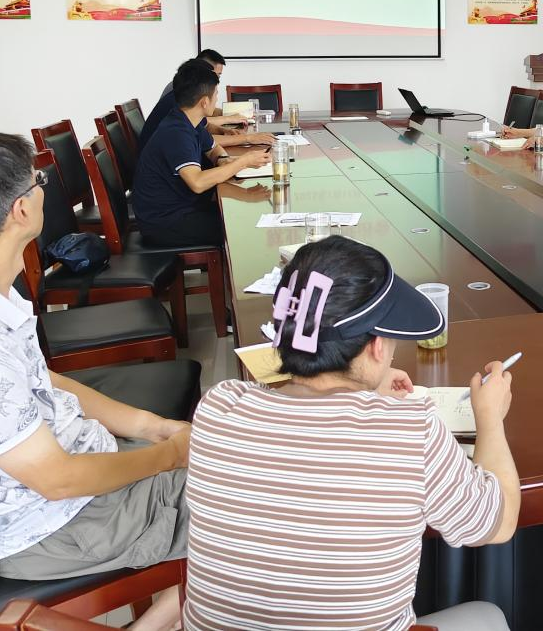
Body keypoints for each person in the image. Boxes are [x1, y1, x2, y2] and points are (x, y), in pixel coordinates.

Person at [0, 134, 191, 631]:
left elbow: (42, 382)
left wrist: (152, 427)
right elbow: (57, 480)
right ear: (21, 210)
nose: (43, 189)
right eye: (38, 180)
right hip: (49, 525)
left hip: (68, 482)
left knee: (240, 463)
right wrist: (171, 454)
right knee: (267, 501)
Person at [184, 236, 519, 631]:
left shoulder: (218, 406)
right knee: (489, 616)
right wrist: (490, 419)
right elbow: (499, 523)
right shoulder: (410, 430)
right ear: (377, 347)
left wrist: (365, 388)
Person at [133, 59, 270, 248]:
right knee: (240, 226)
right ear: (205, 102)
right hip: (164, 221)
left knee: (242, 214)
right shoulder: (176, 132)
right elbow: (197, 183)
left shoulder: (189, 120)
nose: (216, 99)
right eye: (216, 94)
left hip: (183, 205)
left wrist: (223, 159)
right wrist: (242, 162)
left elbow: (212, 148)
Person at [141, 49, 269, 150]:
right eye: (214, 75)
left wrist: (223, 131)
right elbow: (199, 143)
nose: (216, 81)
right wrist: (247, 139)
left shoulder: (187, 95)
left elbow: (203, 130)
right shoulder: (181, 97)